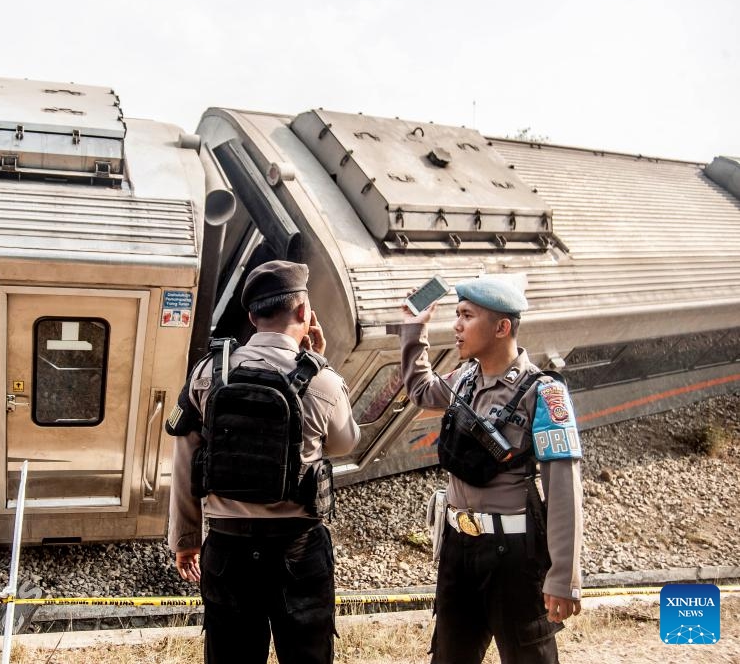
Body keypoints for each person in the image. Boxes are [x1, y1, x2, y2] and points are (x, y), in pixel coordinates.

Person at [166, 260, 361, 664]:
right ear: (306, 313)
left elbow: (185, 458)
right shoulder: (322, 381)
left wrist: (185, 540)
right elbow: (345, 444)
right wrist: (320, 363)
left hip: (227, 547)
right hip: (298, 550)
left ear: (252, 317)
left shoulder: (208, 373)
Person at [392, 275, 583, 664]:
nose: (456, 326)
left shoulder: (542, 393)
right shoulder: (464, 379)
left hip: (511, 556)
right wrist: (414, 331)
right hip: (458, 550)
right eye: (456, 315)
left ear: (501, 327)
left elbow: (564, 487)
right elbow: (421, 392)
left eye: (466, 315)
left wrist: (563, 576)